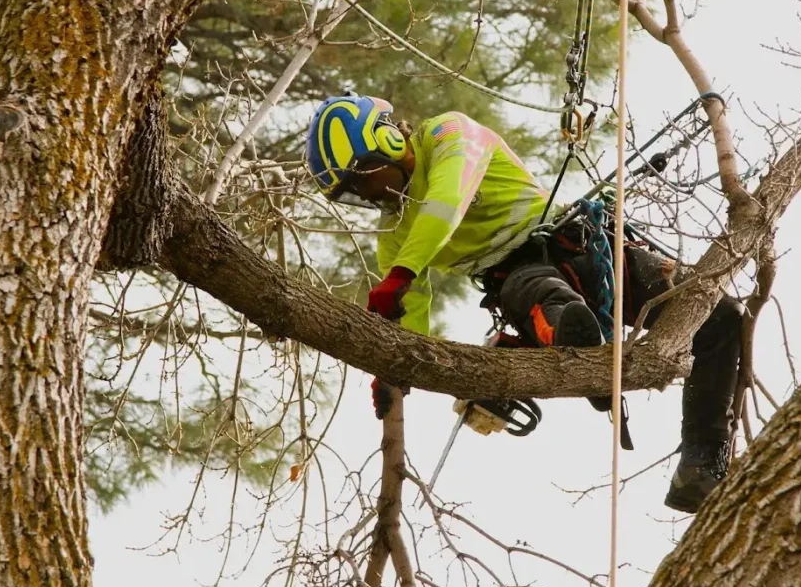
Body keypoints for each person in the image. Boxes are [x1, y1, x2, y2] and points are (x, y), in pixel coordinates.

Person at [304, 94, 742, 513]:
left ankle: (700, 464)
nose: (371, 197)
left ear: (387, 141)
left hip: (584, 244)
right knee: (549, 300)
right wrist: (393, 368)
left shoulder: (448, 134)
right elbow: (410, 316)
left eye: (366, 181)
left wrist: (401, 272)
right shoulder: (395, 235)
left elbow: (446, 199)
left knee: (719, 316)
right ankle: (575, 340)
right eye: (354, 195)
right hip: (518, 278)